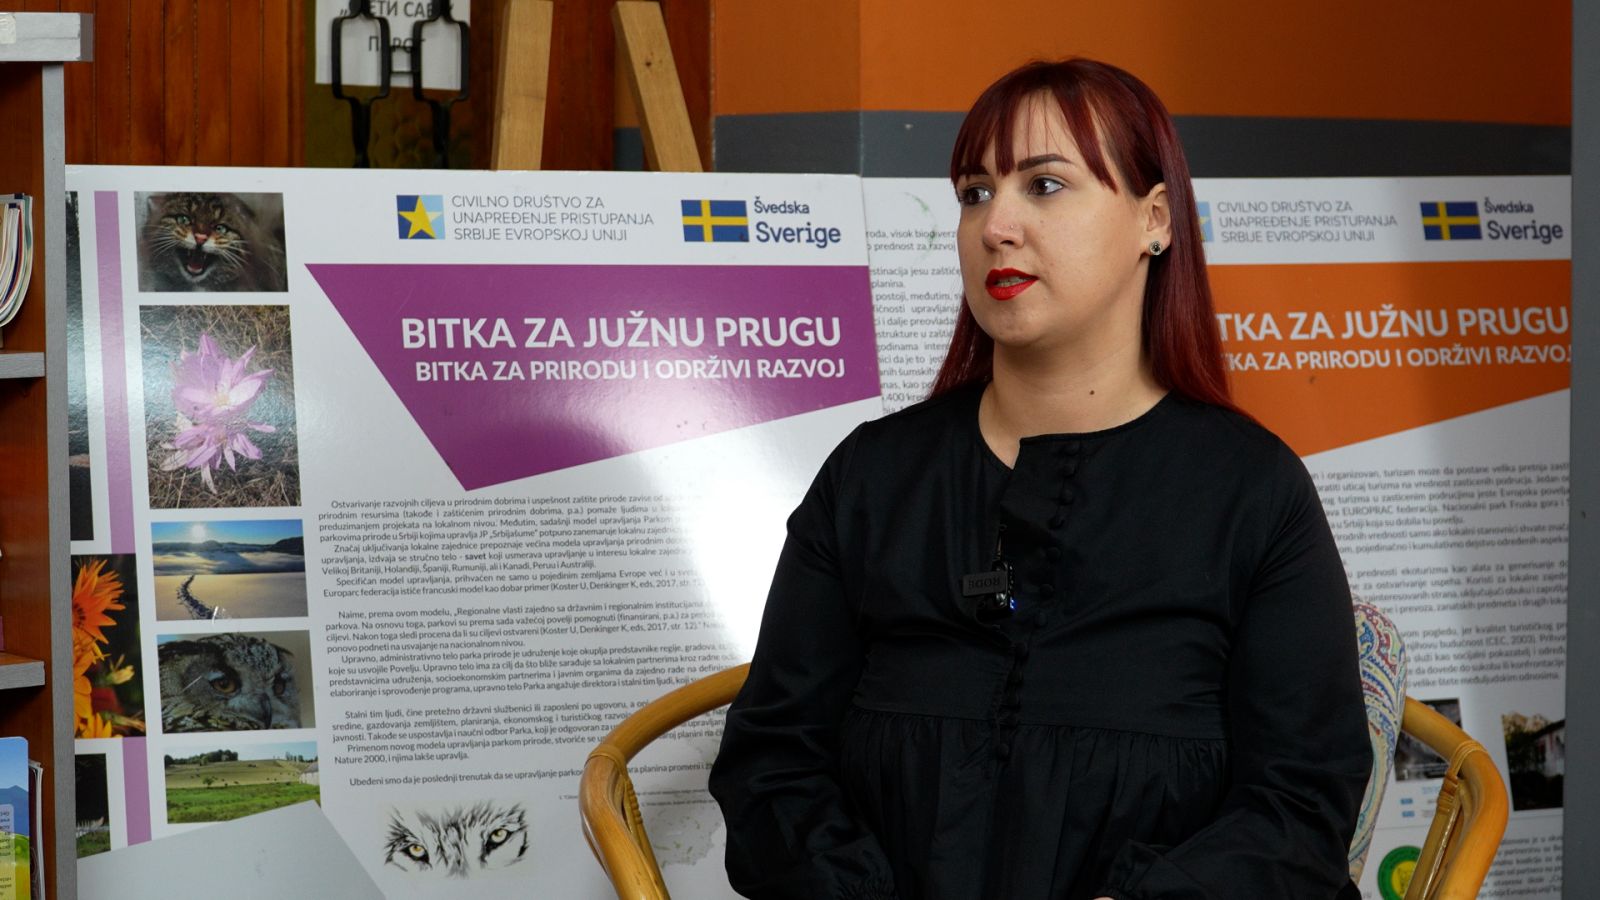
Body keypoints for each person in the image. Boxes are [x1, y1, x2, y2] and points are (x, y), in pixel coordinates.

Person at [709, 58, 1371, 900]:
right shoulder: (872, 478)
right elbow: (770, 769)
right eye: (975, 193)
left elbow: (1301, 807)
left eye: (1045, 186)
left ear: (1154, 221)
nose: (996, 226)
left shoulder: (1253, 492)